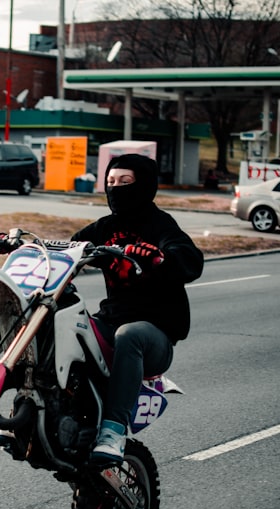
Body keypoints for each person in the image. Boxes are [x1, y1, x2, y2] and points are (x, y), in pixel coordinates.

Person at [70, 153, 204, 464]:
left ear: (143, 185)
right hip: (111, 320)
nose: (115, 188)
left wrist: (159, 257)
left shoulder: (160, 224)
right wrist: (25, 246)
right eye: (110, 182)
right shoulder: (104, 227)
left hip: (154, 335)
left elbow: (190, 259)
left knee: (129, 334)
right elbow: (68, 248)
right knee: (67, 327)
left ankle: (114, 432)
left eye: (125, 182)